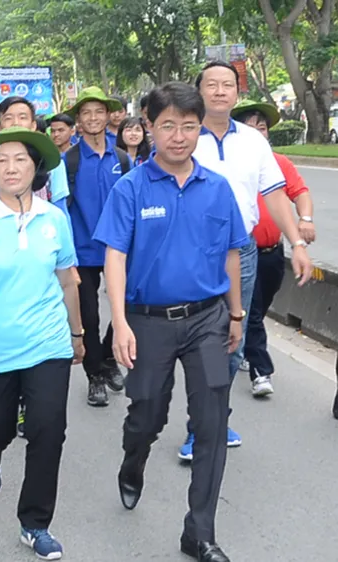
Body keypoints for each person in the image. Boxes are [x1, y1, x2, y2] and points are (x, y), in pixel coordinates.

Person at [94, 82, 246, 562]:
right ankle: (133, 461)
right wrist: (119, 323)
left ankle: (199, 532)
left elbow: (231, 255)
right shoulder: (131, 188)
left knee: (211, 422)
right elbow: (115, 258)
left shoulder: (217, 188)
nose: (178, 137)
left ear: (200, 128)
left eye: (188, 126)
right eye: (167, 126)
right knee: (147, 414)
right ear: (149, 127)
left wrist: (236, 314)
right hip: (149, 322)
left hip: (208, 320)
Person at [0, 128, 84, 561]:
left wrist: (77, 334)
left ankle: (35, 523)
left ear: (36, 167)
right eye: (2, 160)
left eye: (20, 159)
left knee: (48, 430)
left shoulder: (54, 219)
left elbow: (68, 281)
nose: (11, 168)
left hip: (47, 343)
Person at [180, 61, 313, 460]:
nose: (220, 91)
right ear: (199, 91)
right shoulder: (184, 135)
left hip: (243, 253)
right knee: (197, 341)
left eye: (228, 84)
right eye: (212, 84)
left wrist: (297, 243)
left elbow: (275, 195)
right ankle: (199, 425)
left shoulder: (254, 142)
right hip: (192, 253)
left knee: (232, 340)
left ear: (237, 93)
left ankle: (213, 422)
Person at [230, 99, 315, 397]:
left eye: (262, 128)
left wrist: (305, 220)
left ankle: (240, 345)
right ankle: (261, 371)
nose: (257, 133)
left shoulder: (279, 163)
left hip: (272, 253)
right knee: (251, 312)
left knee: (258, 308)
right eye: (249, 127)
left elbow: (300, 193)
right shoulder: (228, 162)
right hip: (241, 253)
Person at [63, 86, 129, 407]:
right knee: (89, 316)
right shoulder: (69, 161)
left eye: (98, 112)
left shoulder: (122, 158)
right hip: (83, 250)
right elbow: (62, 208)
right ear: (78, 119)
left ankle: (107, 356)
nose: (93, 118)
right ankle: (95, 376)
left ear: (107, 116)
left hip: (119, 248)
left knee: (127, 307)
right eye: (86, 113)